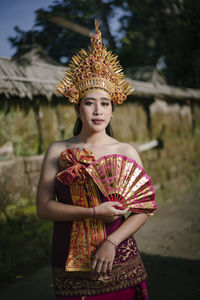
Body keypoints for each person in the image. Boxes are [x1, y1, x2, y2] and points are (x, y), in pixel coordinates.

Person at [36, 20, 157, 300]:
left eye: (105, 103)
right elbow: (43, 208)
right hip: (67, 253)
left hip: (117, 253)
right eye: (89, 103)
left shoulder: (126, 151)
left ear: (113, 111)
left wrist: (112, 242)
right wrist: (93, 213)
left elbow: (143, 208)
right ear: (78, 109)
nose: (97, 110)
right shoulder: (57, 150)